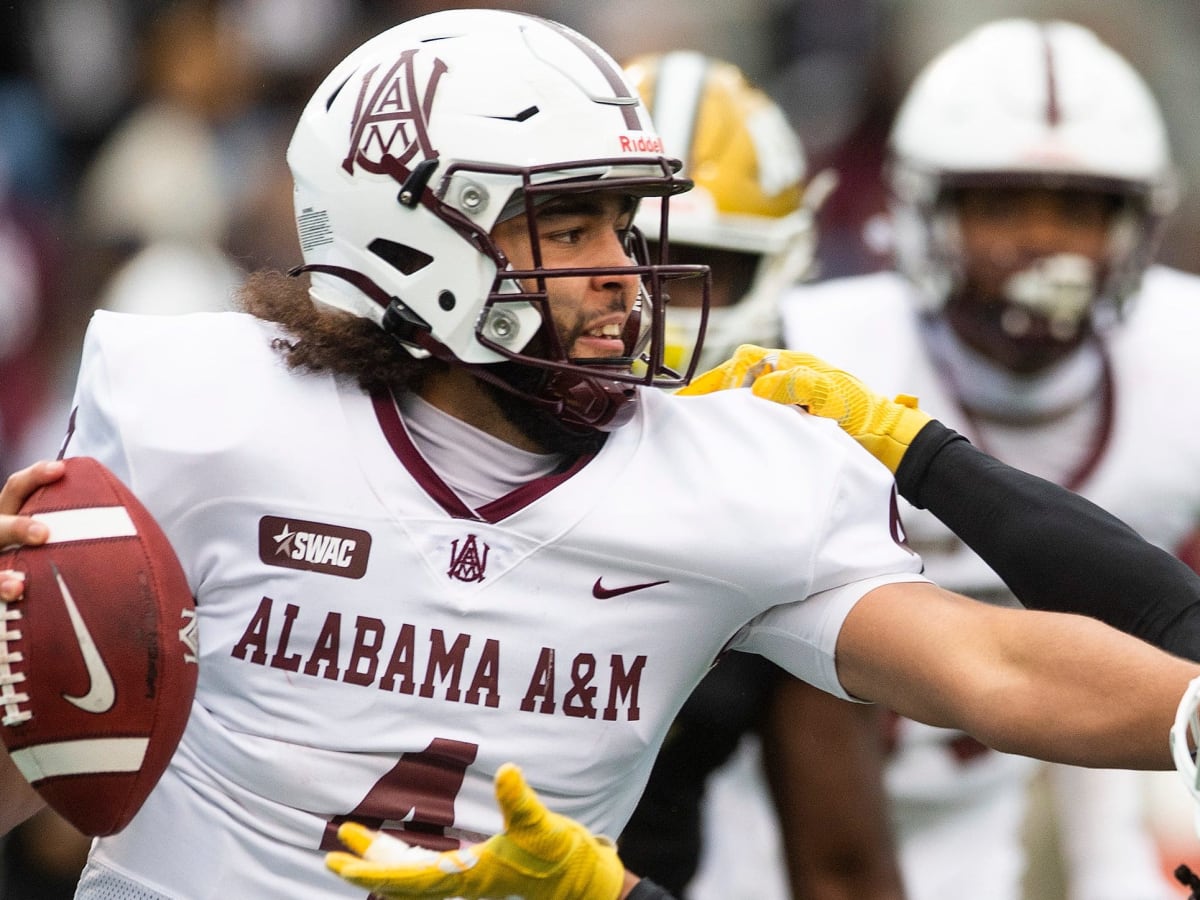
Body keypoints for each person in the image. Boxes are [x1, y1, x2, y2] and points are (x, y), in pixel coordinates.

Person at [1, 10, 1198, 900]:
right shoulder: (196, 406)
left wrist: (1194, 715)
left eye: (624, 223)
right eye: (568, 225)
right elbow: (34, 769)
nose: (622, 271)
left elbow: (993, 664)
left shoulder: (731, 472)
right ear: (410, 233)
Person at [775, 18, 1188, 900]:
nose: (1043, 241)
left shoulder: (1183, 358)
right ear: (923, 210)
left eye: (1080, 208)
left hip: (1000, 805)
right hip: (763, 809)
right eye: (1001, 202)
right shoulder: (813, 355)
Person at [616, 51, 900, 900]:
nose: (649, 298)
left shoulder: (790, 490)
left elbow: (841, 867)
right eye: (626, 246)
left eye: (702, 264)